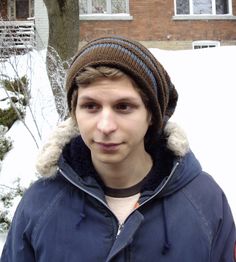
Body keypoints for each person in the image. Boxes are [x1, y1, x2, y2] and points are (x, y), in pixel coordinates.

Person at [1, 36, 235, 262]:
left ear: (152, 115)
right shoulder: (40, 204)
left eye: (123, 107)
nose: (105, 126)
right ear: (75, 114)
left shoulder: (206, 201)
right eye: (90, 106)